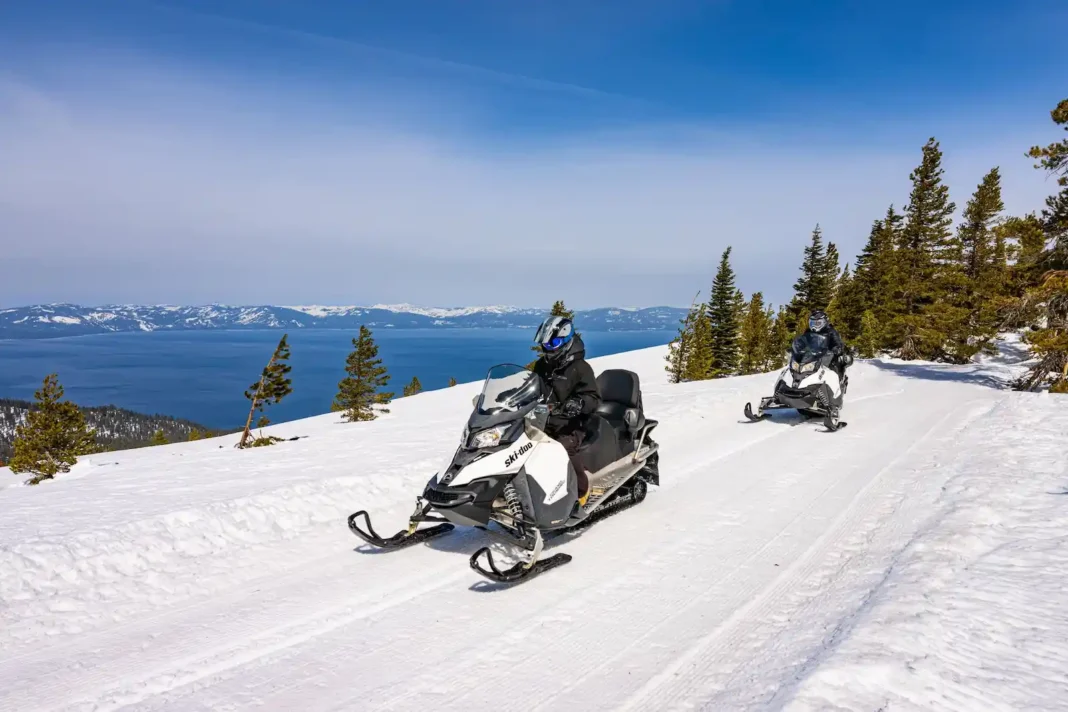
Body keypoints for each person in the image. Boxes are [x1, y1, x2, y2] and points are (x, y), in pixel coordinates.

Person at [531, 315, 601, 507]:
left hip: (572, 424)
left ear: (565, 340)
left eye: (553, 343)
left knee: (563, 448)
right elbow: (531, 386)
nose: (548, 348)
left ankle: (581, 491)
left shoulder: (580, 368)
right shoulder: (542, 365)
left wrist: (578, 403)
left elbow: (593, 398)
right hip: (543, 420)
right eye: (545, 343)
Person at [804, 310, 851, 389]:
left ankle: (837, 385)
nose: (814, 326)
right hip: (813, 357)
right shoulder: (808, 332)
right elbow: (803, 341)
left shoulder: (831, 331)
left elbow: (837, 342)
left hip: (828, 356)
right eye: (812, 323)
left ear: (824, 322)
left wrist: (837, 348)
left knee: (835, 364)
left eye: (817, 323)